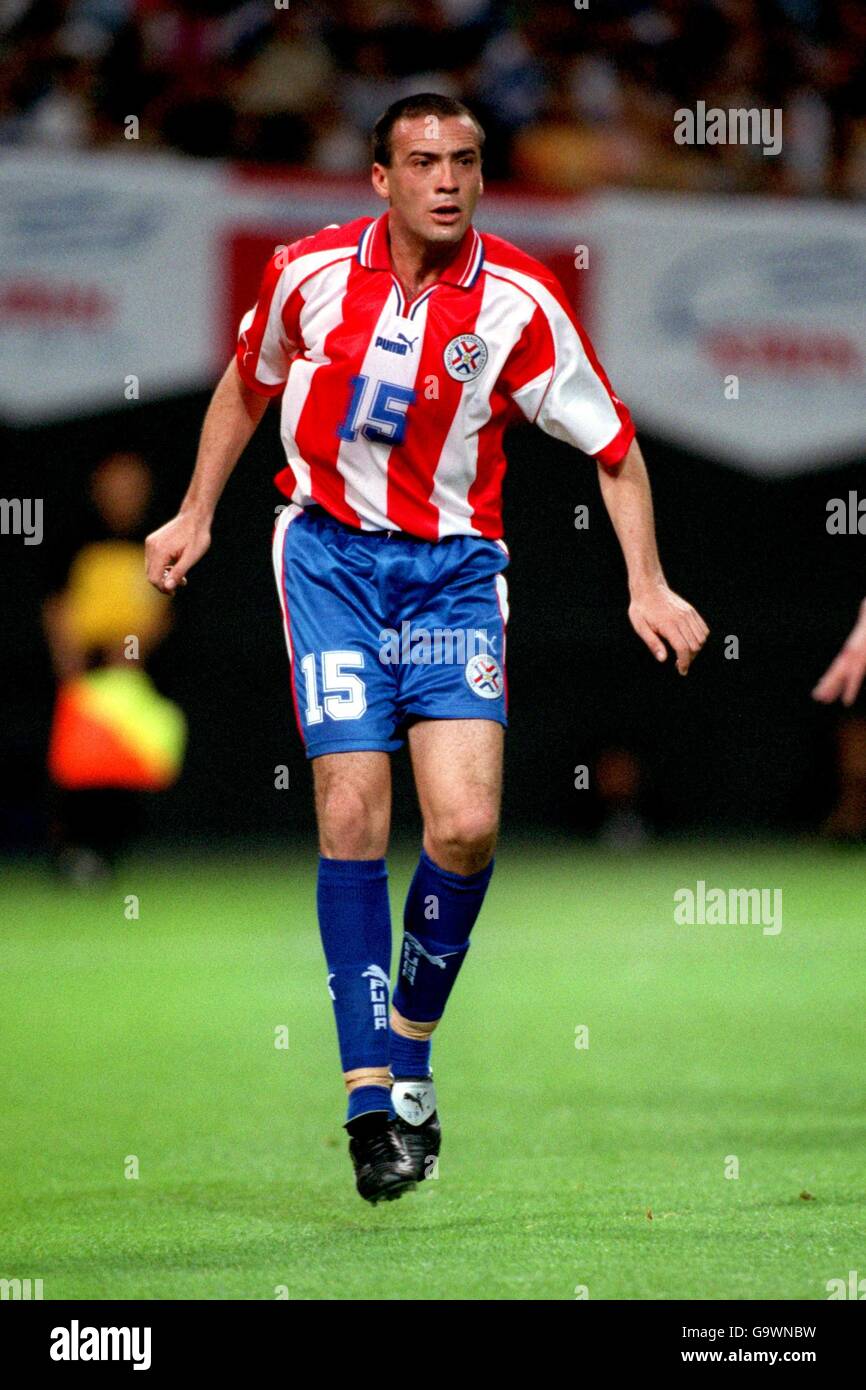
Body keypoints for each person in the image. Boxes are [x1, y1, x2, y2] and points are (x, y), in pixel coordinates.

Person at [145, 93, 709, 1204]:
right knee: (352, 809)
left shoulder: (518, 302)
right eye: (421, 161)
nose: (446, 180)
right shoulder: (305, 274)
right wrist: (196, 511)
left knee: (460, 826)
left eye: (463, 160)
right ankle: (368, 1101)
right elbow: (247, 382)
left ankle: (410, 1051)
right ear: (378, 178)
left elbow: (612, 442)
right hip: (327, 562)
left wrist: (644, 579)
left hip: (453, 574)